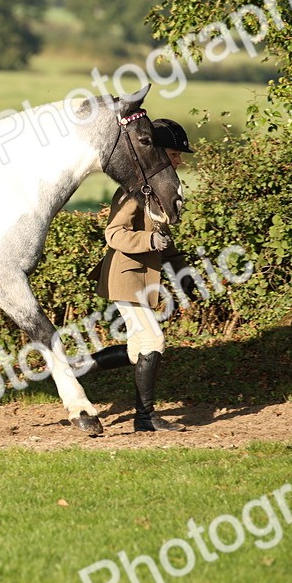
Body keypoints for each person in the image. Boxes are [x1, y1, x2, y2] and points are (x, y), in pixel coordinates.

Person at [89, 118, 194, 432]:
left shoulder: (157, 190)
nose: (179, 160)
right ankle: (145, 417)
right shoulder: (133, 192)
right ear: (158, 153)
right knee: (153, 340)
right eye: (174, 154)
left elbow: (164, 238)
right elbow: (114, 234)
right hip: (126, 277)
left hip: (141, 278)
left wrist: (182, 271)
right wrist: (148, 241)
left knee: (137, 350)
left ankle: (74, 368)